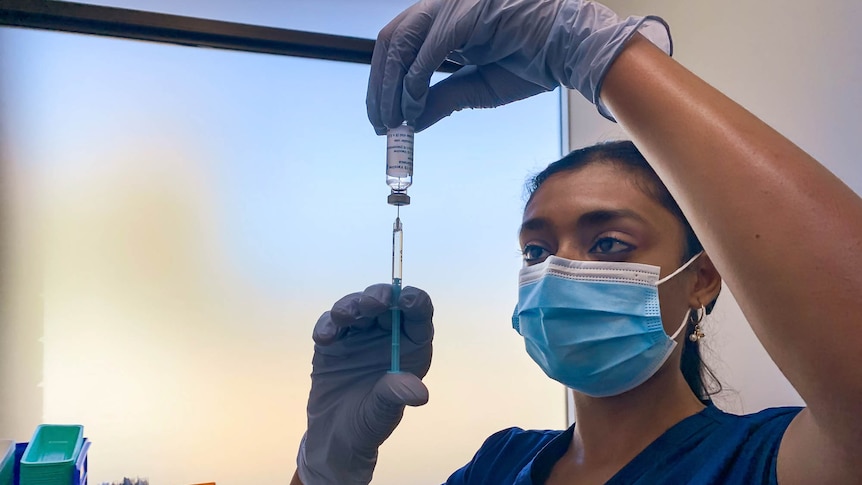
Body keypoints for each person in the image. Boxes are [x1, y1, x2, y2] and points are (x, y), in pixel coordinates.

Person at [291, 0, 862, 483]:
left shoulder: (758, 460)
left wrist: (596, 54)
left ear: (702, 277)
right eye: (535, 251)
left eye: (609, 243)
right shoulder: (499, 463)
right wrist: (324, 467)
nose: (558, 270)